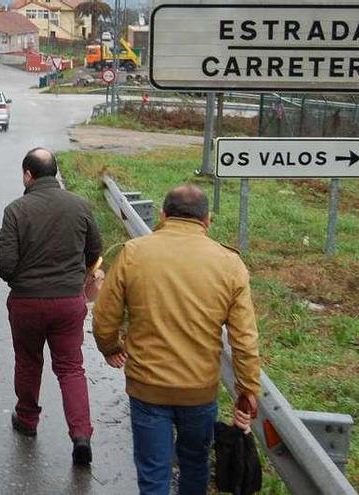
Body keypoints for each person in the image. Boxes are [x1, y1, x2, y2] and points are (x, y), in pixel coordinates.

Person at [92, 184, 261, 494]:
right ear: (207, 220)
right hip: (198, 390)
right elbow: (244, 338)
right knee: (195, 465)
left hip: (147, 388)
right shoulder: (230, 263)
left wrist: (110, 347)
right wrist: (248, 388)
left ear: (163, 215)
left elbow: (104, 316)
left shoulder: (134, 253)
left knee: (154, 471)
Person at [0, 148, 103, 466]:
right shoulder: (80, 205)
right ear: (54, 173)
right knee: (71, 367)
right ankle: (81, 435)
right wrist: (76, 279)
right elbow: (94, 250)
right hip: (68, 303)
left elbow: (4, 262)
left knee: (29, 362)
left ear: (28, 174)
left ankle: (27, 421)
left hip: (27, 302)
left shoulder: (16, 210)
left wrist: (22, 280)